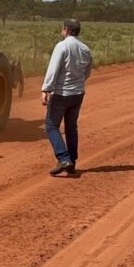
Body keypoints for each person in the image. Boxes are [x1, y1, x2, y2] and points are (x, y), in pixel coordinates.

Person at [41, 19, 92, 176]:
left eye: (62, 29)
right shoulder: (85, 49)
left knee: (51, 126)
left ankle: (63, 158)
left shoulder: (62, 46)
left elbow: (53, 68)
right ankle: (72, 163)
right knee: (71, 127)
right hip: (78, 93)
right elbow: (87, 72)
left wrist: (46, 89)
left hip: (62, 93)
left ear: (66, 30)